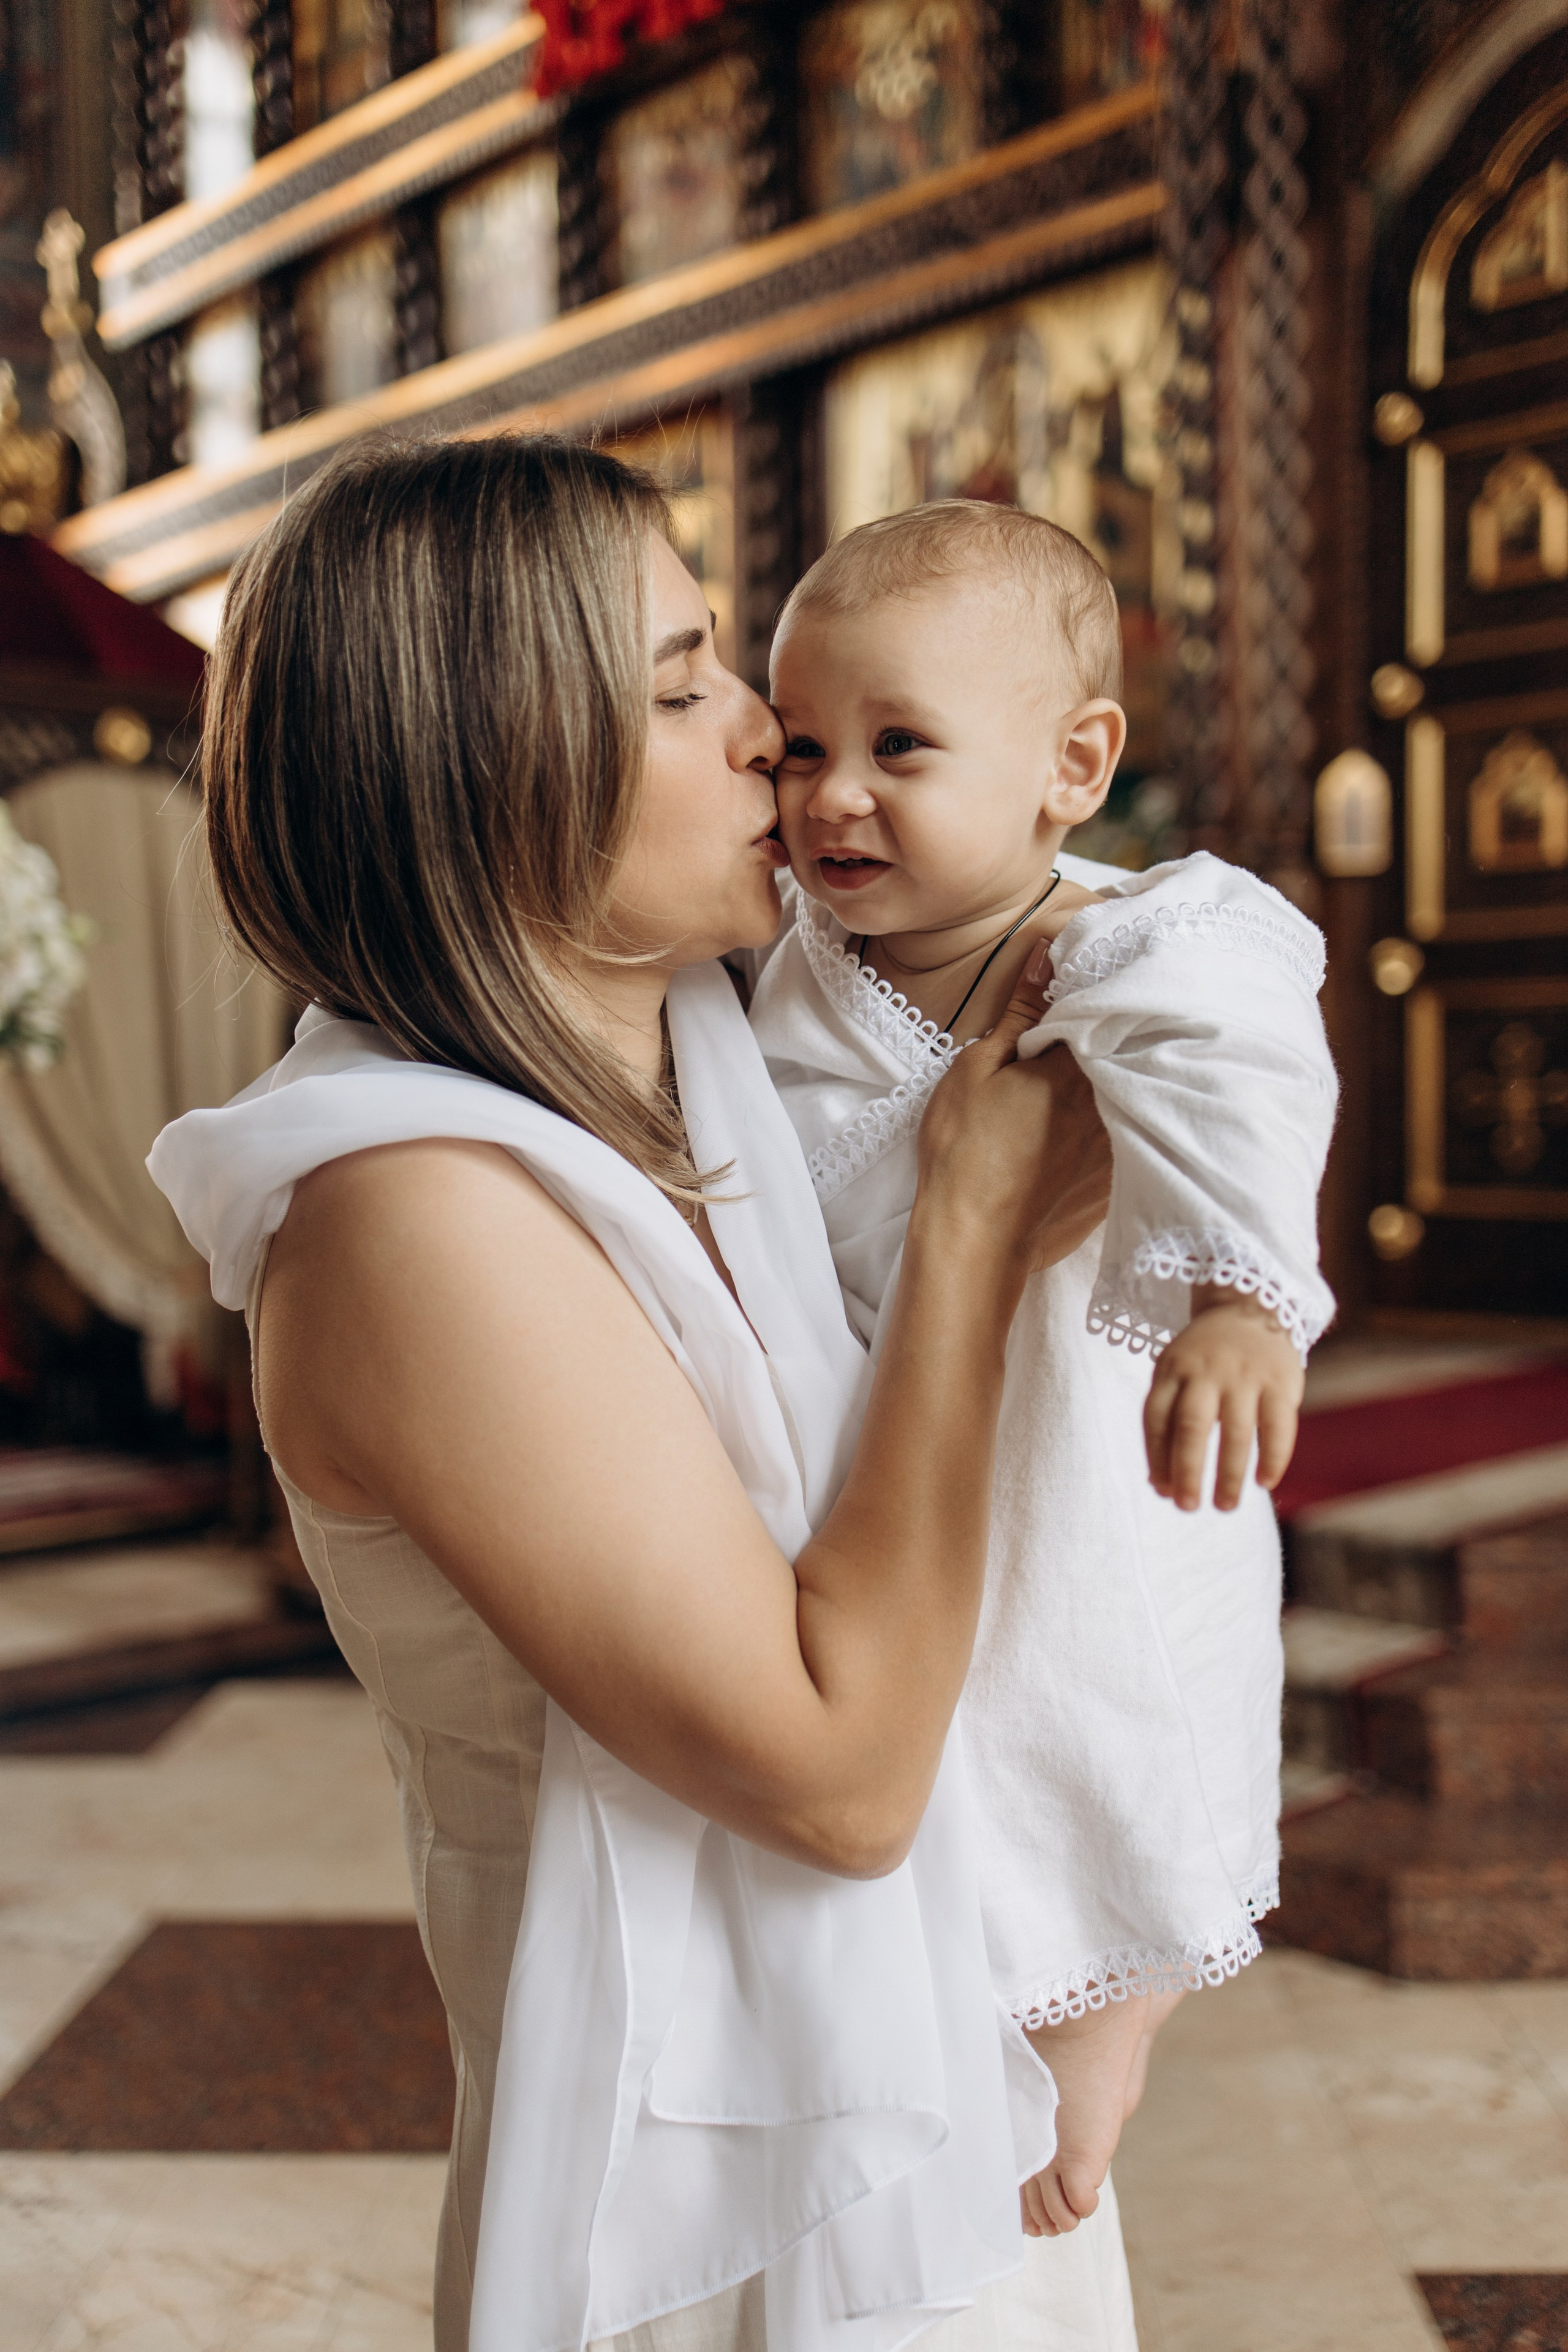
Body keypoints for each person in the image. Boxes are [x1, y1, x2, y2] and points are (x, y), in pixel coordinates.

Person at [148, 440, 1134, 2352]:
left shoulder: (716, 1061)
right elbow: (837, 1782)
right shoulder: (411, 1212)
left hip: (937, 2082)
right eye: (684, 691)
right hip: (708, 2199)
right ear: (487, 778)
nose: (774, 736)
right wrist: (977, 1219)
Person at [748, 499, 1339, 2241]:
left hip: (1095, 1474)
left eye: (899, 747)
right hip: (904, 1477)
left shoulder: (1129, 942)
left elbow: (1240, 1070)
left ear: (1072, 767)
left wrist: (1237, 1294)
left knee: (1101, 1735)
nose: (832, 796)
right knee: (950, 1786)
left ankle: (1107, 2022)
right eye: (800, 747)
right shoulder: (782, 981)